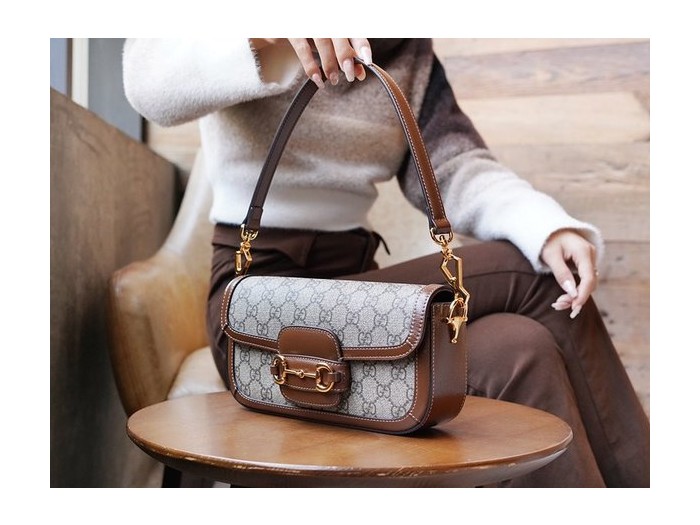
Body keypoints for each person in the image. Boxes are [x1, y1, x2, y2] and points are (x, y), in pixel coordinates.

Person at [122, 38, 650, 487]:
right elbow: (148, 84)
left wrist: (546, 226)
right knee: (534, 276)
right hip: (256, 308)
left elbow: (456, 165)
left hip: (360, 298)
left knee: (521, 347)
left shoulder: (407, 51)